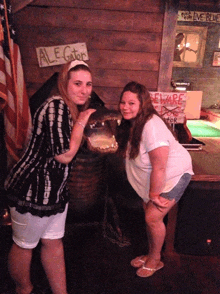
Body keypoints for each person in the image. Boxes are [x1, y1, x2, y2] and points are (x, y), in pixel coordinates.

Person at [4, 60, 96, 294]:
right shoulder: (56, 105)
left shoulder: (68, 107)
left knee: (53, 243)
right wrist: (82, 123)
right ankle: (23, 289)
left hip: (54, 191)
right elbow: (64, 155)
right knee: (24, 245)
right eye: (77, 83)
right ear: (64, 83)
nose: (84, 90)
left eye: (88, 84)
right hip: (31, 189)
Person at [117, 81, 194, 278]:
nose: (125, 107)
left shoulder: (151, 126)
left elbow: (160, 166)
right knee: (149, 215)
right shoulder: (134, 123)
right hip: (156, 176)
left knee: (152, 217)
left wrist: (154, 194)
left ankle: (156, 259)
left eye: (131, 103)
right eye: (123, 102)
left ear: (143, 104)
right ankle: (151, 253)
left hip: (174, 174)